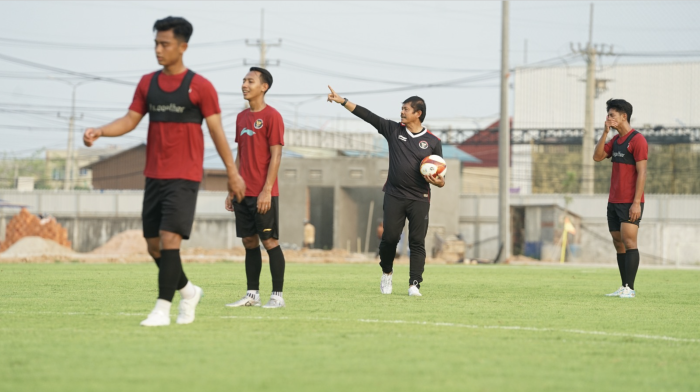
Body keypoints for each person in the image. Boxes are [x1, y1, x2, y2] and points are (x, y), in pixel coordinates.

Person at [83, 16, 245, 326]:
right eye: (156, 43)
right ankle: (188, 291)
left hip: (184, 176)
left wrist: (231, 173)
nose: (158, 49)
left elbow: (216, 132)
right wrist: (100, 131)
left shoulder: (201, 87)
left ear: (182, 47)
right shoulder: (148, 83)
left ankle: (161, 310)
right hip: (153, 175)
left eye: (165, 44)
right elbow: (130, 120)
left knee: (170, 239)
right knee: (153, 245)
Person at [327, 86, 445, 297]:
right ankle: (387, 272)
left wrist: (437, 182)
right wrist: (342, 101)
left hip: (420, 198)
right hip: (394, 195)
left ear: (418, 113)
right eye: (401, 108)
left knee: (417, 242)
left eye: (406, 109)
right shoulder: (394, 130)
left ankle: (414, 284)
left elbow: (441, 179)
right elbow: (368, 116)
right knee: (390, 238)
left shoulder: (434, 142)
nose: (401, 112)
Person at [225, 67, 287, 309]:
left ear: (264, 87)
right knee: (249, 243)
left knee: (269, 242)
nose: (244, 85)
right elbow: (240, 154)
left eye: (250, 81)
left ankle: (277, 296)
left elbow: (276, 155)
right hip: (243, 193)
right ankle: (252, 295)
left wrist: (267, 190)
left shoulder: (272, 116)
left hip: (264, 194)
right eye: (243, 80)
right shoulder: (241, 118)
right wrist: (232, 186)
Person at [593, 98, 648, 298]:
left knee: (629, 241)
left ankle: (630, 289)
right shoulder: (615, 140)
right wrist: (605, 132)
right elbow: (597, 157)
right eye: (608, 115)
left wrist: (636, 203)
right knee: (618, 242)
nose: (608, 118)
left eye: (612, 115)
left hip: (630, 202)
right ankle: (624, 285)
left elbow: (642, 173)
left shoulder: (638, 140)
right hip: (613, 201)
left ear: (624, 116)